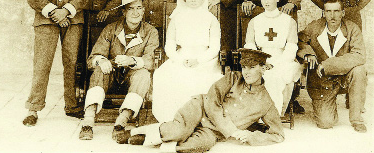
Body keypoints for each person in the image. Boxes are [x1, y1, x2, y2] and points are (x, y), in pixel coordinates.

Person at [115, 49, 284, 152]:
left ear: (264, 68)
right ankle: (135, 133)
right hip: (200, 108)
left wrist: (251, 136)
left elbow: (278, 135)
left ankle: (152, 140)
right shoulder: (233, 77)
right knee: (179, 130)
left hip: (214, 131)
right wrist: (230, 129)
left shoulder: (266, 102)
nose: (246, 72)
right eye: (244, 67)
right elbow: (212, 100)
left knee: (200, 145)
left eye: (252, 67)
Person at [78, 0, 159, 140]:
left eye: (139, 8)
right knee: (99, 70)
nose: (136, 13)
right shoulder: (111, 29)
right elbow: (93, 58)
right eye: (131, 9)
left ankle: (121, 122)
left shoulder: (150, 32)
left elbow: (150, 61)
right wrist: (102, 60)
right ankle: (88, 122)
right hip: (111, 76)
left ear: (144, 10)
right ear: (123, 12)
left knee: (143, 74)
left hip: (133, 77)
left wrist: (133, 61)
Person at [152, 0, 224, 123]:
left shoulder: (211, 19)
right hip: (182, 56)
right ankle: (172, 119)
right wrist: (179, 59)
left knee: (197, 78)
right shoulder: (177, 18)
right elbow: (170, 44)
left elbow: (215, 47)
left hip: (205, 59)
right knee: (163, 75)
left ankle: (197, 119)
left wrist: (199, 60)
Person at [297, 0, 367, 133]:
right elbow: (300, 41)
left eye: (336, 11)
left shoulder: (352, 28)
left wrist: (328, 65)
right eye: (328, 11)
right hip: (322, 82)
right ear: (324, 12)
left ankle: (356, 119)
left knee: (359, 70)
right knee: (326, 122)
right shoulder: (315, 27)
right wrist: (308, 53)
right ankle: (325, 106)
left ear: (343, 13)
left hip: (344, 78)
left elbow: (359, 55)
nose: (332, 15)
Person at [244, 0, 302, 116]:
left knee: (275, 76)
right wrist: (260, 62)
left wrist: (276, 64)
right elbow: (250, 45)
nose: (266, 1)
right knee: (258, 75)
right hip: (260, 59)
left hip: (283, 59)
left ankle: (273, 116)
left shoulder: (288, 21)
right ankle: (257, 116)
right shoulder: (255, 21)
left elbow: (291, 47)